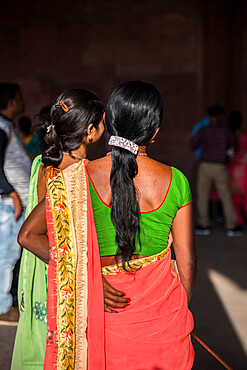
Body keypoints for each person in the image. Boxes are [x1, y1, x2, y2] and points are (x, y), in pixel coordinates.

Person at [18, 81, 196, 369]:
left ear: (108, 123)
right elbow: (187, 262)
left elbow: (28, 236)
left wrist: (86, 278)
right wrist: (176, 309)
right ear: (155, 132)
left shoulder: (77, 177)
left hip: (101, 318)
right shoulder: (176, 181)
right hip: (163, 322)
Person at [11, 89, 105, 370]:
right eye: (102, 123)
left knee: (45, 341)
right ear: (89, 131)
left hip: (43, 266)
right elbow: (31, 233)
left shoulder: (43, 162)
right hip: (63, 269)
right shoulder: (80, 172)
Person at [0, 83, 31, 321]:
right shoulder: (0, 126)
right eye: (19, 99)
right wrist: (11, 193)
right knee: (6, 255)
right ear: (10, 102)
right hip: (9, 205)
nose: (22, 103)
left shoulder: (7, 126)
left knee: (12, 256)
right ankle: (3, 306)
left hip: (14, 203)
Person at [190, 104, 243, 236]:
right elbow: (234, 148)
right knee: (225, 196)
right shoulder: (226, 130)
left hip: (205, 166)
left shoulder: (204, 129)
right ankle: (231, 226)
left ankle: (203, 225)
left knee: (203, 196)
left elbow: (193, 144)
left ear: (209, 116)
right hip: (220, 166)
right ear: (220, 116)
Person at [228, 111, 247, 226]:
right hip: (244, 168)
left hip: (232, 168)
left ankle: (238, 220)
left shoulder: (230, 135)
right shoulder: (244, 135)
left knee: (234, 197)